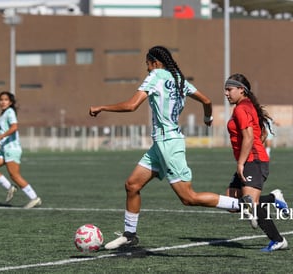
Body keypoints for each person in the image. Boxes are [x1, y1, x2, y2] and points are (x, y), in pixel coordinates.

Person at [89, 45, 248, 250]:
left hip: (168, 145)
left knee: (188, 198)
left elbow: (131, 105)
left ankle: (242, 205)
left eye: (147, 64)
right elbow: (206, 100)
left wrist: (102, 107)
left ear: (155, 63)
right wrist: (207, 117)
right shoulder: (180, 80)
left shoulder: (156, 75)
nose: (147, 69)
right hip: (161, 145)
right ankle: (130, 235)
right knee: (132, 185)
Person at [224, 73, 288, 252]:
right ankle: (274, 198)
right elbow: (259, 132)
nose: (226, 93)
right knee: (232, 203)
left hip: (253, 161)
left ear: (241, 90)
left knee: (251, 203)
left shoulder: (241, 109)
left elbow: (249, 137)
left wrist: (241, 163)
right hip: (250, 159)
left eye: (229, 89)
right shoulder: (246, 106)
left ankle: (278, 240)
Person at [0, 91, 42, 209]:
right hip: (4, 149)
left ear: (10, 102)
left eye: (5, 99)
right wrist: (0, 140)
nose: (3, 102)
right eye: (1, 99)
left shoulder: (10, 112)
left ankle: (34, 198)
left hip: (12, 148)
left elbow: (14, 127)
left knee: (15, 176)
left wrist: (0, 137)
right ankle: (10, 187)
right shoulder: (3, 114)